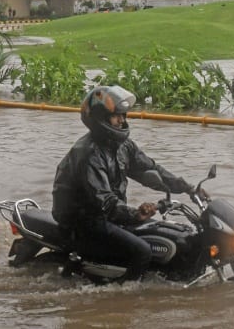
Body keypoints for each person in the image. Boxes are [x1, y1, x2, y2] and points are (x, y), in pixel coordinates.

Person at [51, 85, 205, 282]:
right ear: (100, 118)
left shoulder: (123, 146)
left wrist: (188, 188)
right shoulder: (88, 154)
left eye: (124, 115)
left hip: (109, 216)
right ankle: (124, 297)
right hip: (83, 221)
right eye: (117, 116)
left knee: (167, 234)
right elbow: (104, 200)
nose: (122, 121)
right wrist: (135, 214)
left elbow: (150, 169)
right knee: (143, 251)